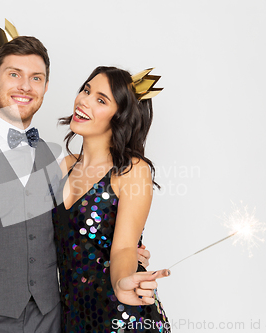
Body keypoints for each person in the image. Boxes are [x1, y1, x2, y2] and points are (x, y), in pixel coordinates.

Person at [0, 35, 152, 332]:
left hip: (50, 319)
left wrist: (124, 255)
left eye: (36, 78)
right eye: (14, 74)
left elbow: (88, 225)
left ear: (46, 87)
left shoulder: (59, 158)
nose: (25, 86)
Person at [53, 66, 171, 332]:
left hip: (123, 319)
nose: (84, 100)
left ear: (119, 116)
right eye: (86, 89)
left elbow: (124, 249)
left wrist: (122, 282)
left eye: (101, 99)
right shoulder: (61, 167)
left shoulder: (132, 170)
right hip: (73, 319)